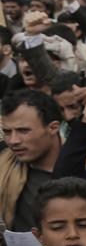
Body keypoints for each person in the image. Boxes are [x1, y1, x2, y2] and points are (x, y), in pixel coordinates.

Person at [0, 90, 64, 236]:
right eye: (7, 132)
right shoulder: (5, 164)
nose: (13, 141)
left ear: (53, 128)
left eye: (23, 130)